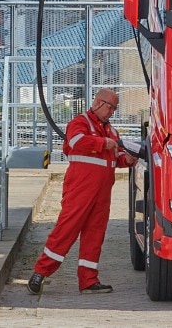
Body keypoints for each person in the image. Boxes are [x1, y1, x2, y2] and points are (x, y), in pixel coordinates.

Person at [27, 88, 136, 295]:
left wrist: (128, 160)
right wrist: (103, 143)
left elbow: (116, 158)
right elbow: (76, 142)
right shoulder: (80, 123)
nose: (112, 112)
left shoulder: (112, 132)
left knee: (95, 235)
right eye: (110, 107)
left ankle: (88, 280)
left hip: (102, 194)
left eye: (115, 108)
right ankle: (40, 272)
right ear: (99, 103)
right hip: (80, 190)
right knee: (66, 230)